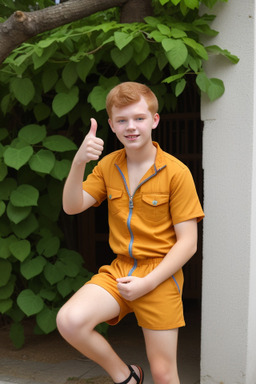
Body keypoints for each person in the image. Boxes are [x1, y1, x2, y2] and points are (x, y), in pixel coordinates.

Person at [57, 82, 204, 384]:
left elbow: (188, 243)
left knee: (164, 374)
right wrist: (79, 162)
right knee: (70, 321)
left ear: (154, 120)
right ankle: (126, 378)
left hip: (160, 275)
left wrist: (147, 282)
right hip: (121, 269)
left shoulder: (176, 172)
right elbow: (73, 206)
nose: (131, 127)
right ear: (111, 125)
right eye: (122, 120)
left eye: (138, 118)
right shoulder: (109, 165)